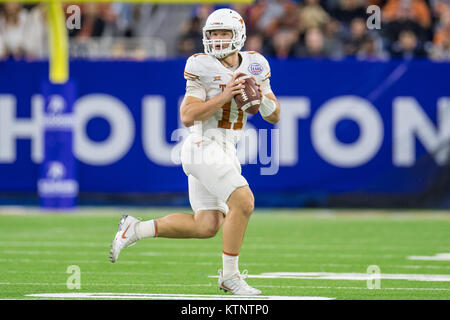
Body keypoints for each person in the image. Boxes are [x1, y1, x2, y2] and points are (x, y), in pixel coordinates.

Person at [109, 8, 281, 295]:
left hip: (227, 150)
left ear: (238, 34)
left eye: (223, 33)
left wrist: (259, 98)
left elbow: (274, 116)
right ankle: (230, 276)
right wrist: (226, 95)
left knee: (207, 225)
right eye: (213, 34)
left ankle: (135, 229)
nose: (217, 40)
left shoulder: (256, 65)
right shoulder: (202, 65)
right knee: (244, 201)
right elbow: (188, 115)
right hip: (203, 145)